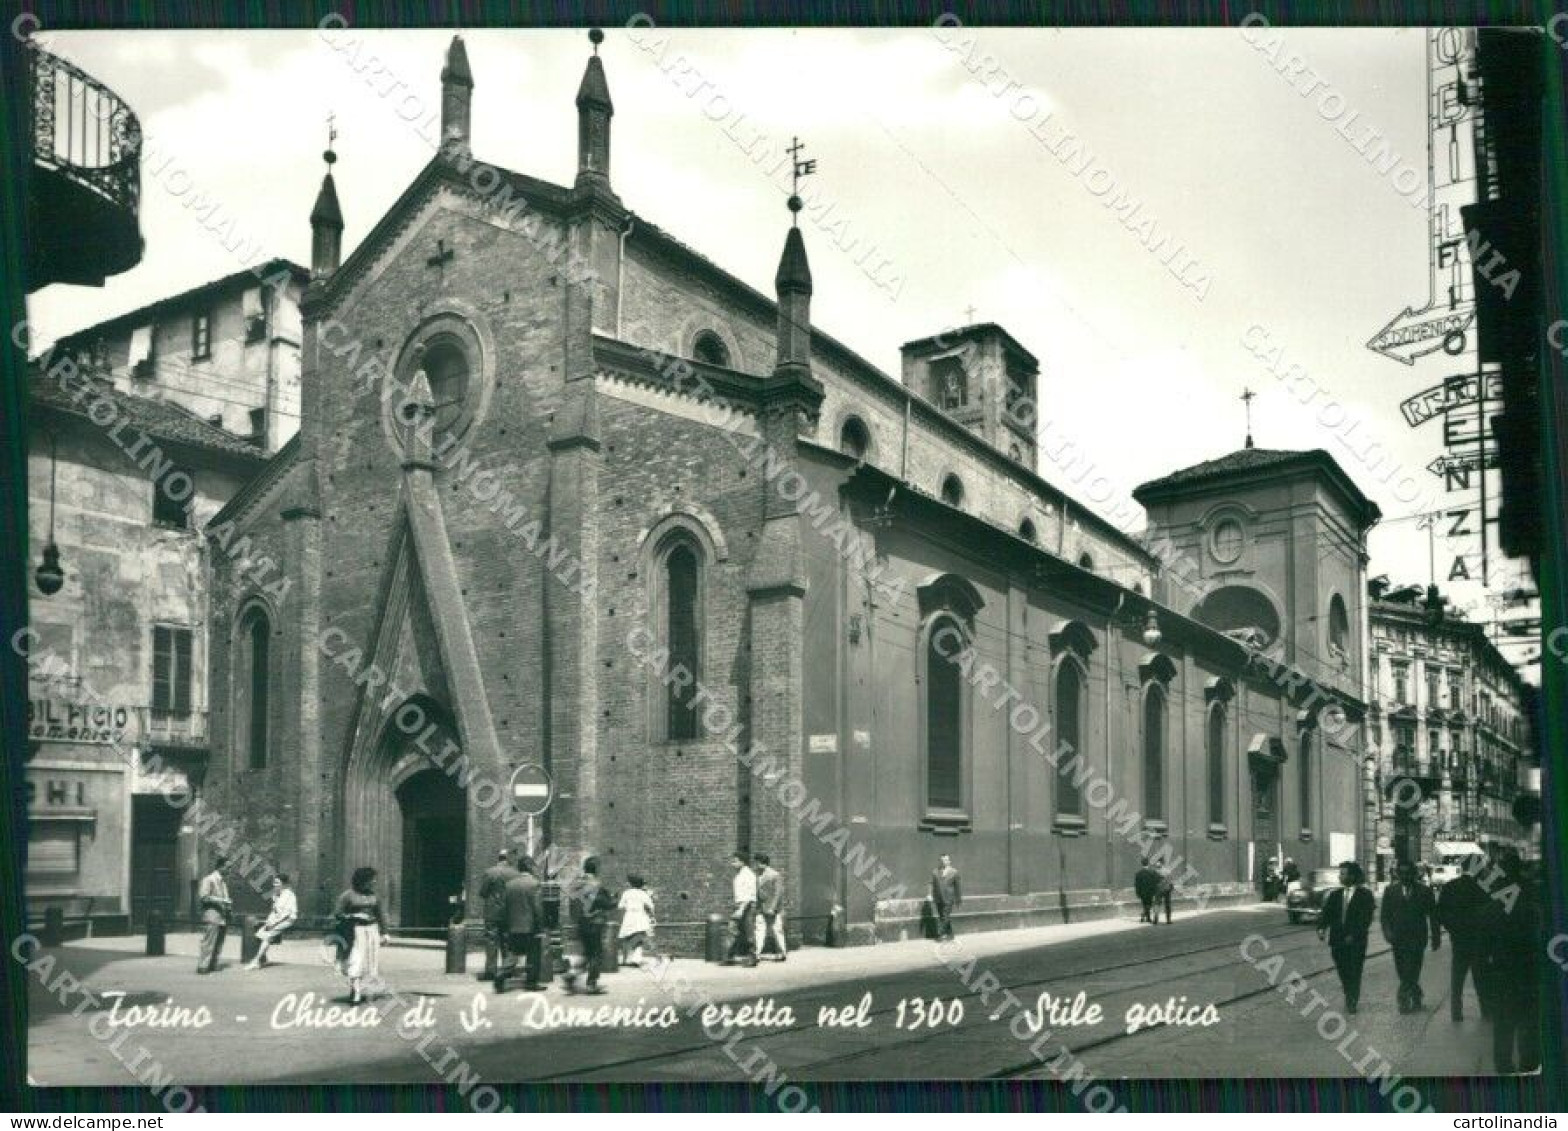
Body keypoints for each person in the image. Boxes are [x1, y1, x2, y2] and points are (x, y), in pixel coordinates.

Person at [1481, 850, 1541, 1075]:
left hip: (1501, 973)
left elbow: (1483, 950)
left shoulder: (1493, 903)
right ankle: (1528, 1064)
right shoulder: (1531, 896)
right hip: (1528, 971)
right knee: (1528, 1022)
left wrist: (1485, 979)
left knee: (1503, 1025)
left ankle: (1504, 1067)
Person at [1380, 859, 1441, 1013]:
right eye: (1402, 873)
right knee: (1402, 970)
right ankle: (1416, 994)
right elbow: (1384, 916)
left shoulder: (1425, 891)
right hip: (1397, 939)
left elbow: (1433, 916)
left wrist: (1436, 937)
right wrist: (1387, 932)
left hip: (1417, 938)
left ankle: (1403, 1000)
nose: (1405, 876)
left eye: (1409, 873)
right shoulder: (1390, 891)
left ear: (1414, 874)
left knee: (1413, 969)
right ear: (1398, 874)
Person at [1437, 854, 1492, 1021]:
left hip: (1459, 940)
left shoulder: (1449, 887)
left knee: (1457, 979)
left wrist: (1452, 928)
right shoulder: (1485, 888)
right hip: (1479, 940)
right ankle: (1486, 1010)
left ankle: (1456, 1012)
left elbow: (1439, 913)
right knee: (1481, 978)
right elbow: (1491, 916)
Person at [1317, 860, 1375, 1014]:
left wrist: (1354, 935)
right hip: (1337, 940)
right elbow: (1326, 914)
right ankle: (1348, 991)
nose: (1340, 877)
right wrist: (1321, 928)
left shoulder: (1365, 895)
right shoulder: (1335, 895)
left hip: (1356, 941)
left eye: (1343, 874)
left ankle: (1352, 999)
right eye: (1340, 874)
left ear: (1353, 876)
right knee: (1342, 969)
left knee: (1355, 970)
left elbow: (1366, 919)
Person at [333, 866, 388, 1005]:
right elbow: (338, 913)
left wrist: (385, 932)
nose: (374, 882)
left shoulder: (374, 896)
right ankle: (356, 992)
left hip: (372, 931)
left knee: (370, 961)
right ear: (363, 880)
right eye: (372, 879)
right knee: (355, 960)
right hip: (355, 932)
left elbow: (381, 915)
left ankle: (364, 989)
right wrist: (354, 915)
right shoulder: (348, 895)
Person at [562, 856, 613, 994]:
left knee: (587, 953)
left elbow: (573, 904)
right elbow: (607, 904)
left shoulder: (577, 884)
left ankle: (571, 976)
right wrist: (613, 899)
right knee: (596, 954)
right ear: (595, 869)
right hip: (595, 923)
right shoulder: (596, 885)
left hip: (582, 923)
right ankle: (591, 984)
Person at [497, 855, 545, 993]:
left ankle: (501, 973)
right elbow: (537, 908)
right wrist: (540, 926)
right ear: (530, 867)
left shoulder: (509, 884)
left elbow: (504, 906)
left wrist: (506, 924)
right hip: (530, 926)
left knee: (513, 953)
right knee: (534, 955)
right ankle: (531, 982)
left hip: (512, 925)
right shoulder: (534, 884)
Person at [478, 849, 520, 979]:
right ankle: (507, 971)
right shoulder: (515, 873)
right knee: (507, 941)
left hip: (492, 912)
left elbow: (483, 893)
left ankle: (490, 972)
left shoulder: (490, 872)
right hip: (509, 912)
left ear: (499, 858)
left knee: (491, 941)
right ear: (508, 859)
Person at [246, 874, 298, 970]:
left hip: (288, 920)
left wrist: (273, 924)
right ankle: (263, 960)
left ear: (284, 884)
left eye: (277, 883)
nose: (275, 885)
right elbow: (274, 911)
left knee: (267, 936)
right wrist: (268, 922)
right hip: (277, 920)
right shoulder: (276, 895)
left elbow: (286, 914)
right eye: (274, 882)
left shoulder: (289, 895)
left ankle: (255, 961)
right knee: (259, 935)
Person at [196, 855, 232, 974]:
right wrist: (222, 901)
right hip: (212, 915)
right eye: (228, 867)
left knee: (219, 942)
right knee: (209, 941)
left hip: (222, 916)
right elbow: (204, 897)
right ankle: (202, 966)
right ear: (221, 867)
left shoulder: (223, 882)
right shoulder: (209, 879)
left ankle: (212, 964)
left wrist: (228, 907)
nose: (229, 870)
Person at [726, 851, 758, 965]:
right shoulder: (739, 874)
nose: (732, 864)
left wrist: (741, 909)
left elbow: (750, 895)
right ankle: (730, 956)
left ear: (742, 862)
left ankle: (753, 957)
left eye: (735, 861)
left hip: (747, 906)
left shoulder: (748, 875)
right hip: (739, 905)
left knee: (749, 932)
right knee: (732, 929)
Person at [617, 874, 656, 968]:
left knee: (626, 938)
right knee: (639, 938)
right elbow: (651, 906)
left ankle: (626, 959)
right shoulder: (643, 894)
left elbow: (620, 906)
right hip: (640, 916)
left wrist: (628, 906)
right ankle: (636, 959)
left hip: (629, 916)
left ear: (631, 884)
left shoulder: (626, 893)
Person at [753, 853, 787, 961]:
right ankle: (757, 953)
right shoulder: (757, 875)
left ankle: (782, 952)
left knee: (777, 929)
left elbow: (778, 893)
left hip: (772, 908)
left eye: (758, 862)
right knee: (759, 929)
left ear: (763, 863)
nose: (756, 865)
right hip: (760, 907)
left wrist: (773, 907)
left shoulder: (774, 875)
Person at [930, 854, 962, 941]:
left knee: (945, 916)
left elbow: (958, 887)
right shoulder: (935, 872)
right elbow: (932, 884)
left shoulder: (954, 872)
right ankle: (951, 934)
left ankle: (940, 934)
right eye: (942, 860)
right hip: (938, 898)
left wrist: (958, 900)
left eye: (946, 860)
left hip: (949, 899)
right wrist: (931, 896)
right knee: (942, 916)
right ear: (940, 861)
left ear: (949, 861)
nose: (944, 862)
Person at [1133, 858, 1162, 925]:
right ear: (1148, 863)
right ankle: (1144, 915)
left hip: (1142, 892)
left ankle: (1147, 917)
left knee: (1144, 904)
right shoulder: (1152, 872)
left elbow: (1137, 884)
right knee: (1149, 904)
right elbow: (1157, 880)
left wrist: (1137, 893)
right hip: (1150, 892)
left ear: (1142, 864)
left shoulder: (1138, 873)